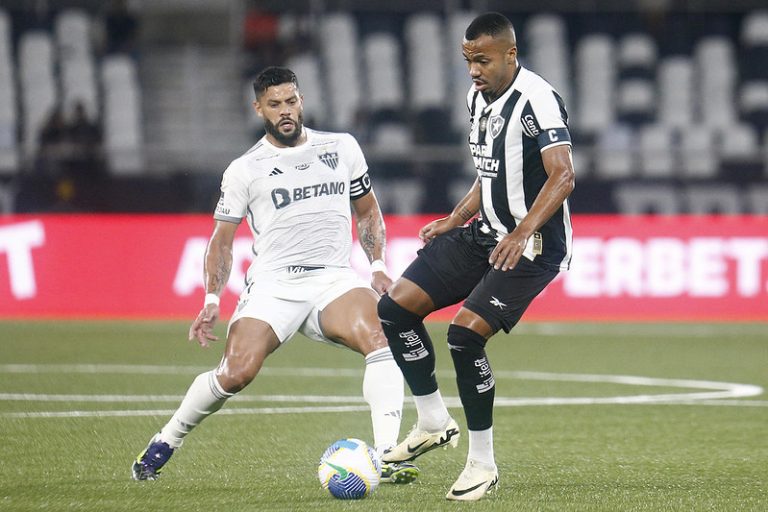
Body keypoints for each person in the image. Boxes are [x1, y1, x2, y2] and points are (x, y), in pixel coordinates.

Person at [131, 66, 419, 485]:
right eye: (274, 105)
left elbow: (368, 210)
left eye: (290, 101)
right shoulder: (245, 169)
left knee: (382, 336)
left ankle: (387, 456)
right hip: (273, 286)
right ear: (258, 109)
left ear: (301, 101)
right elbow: (221, 241)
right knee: (236, 373)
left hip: (334, 279)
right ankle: (166, 439)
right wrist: (212, 300)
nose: (285, 111)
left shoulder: (342, 148)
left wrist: (376, 266)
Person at [378, 12, 575, 501]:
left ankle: (482, 464)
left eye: (482, 60)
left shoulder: (538, 99)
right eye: (468, 61)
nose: (473, 70)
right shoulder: (476, 99)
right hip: (483, 234)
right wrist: (455, 216)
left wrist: (523, 229)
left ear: (511, 53)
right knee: (395, 308)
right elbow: (489, 172)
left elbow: (563, 175)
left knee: (464, 336)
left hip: (531, 246)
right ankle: (432, 420)